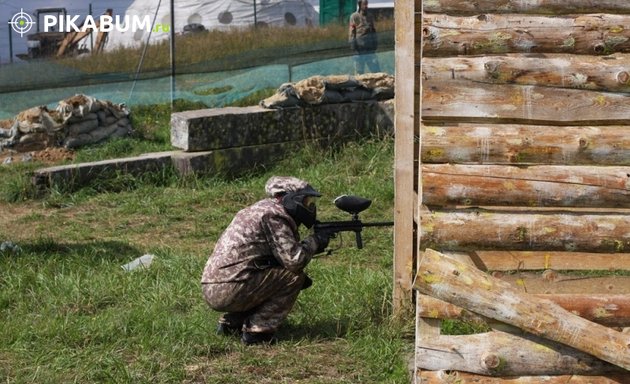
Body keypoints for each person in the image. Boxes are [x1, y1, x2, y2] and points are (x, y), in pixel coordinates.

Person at [201, 176, 333, 345]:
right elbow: (294, 261)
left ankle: (232, 323)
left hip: (214, 285)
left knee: (269, 276)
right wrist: (316, 241)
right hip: (231, 287)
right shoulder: (274, 216)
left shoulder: (258, 209)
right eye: (306, 201)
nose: (310, 207)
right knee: (293, 277)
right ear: (289, 198)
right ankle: (258, 333)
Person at [348, 0, 381, 74]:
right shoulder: (354, 16)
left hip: (370, 49)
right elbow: (352, 33)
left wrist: (375, 43)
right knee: (359, 73)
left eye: (367, 4)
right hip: (359, 50)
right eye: (364, 4)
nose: (366, 6)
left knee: (376, 71)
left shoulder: (370, 16)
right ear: (359, 5)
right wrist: (353, 46)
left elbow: (373, 30)